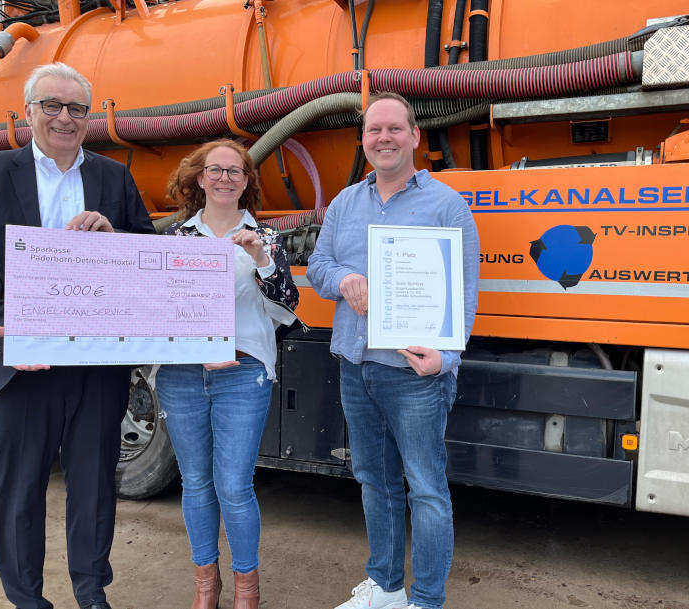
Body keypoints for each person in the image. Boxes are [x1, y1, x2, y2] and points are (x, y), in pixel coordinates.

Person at [0, 63, 155, 609]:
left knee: (93, 487)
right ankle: (27, 599)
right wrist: (11, 334)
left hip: (96, 365)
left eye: (77, 108)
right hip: (19, 365)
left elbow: (145, 255)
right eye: (52, 105)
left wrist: (115, 237)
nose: (65, 117)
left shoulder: (113, 177)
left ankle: (92, 593)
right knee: (18, 492)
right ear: (28, 111)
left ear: (90, 117)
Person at [306, 92, 480, 609]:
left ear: (415, 137)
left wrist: (446, 360)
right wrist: (345, 278)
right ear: (363, 140)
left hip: (413, 374)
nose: (383, 138)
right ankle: (385, 588)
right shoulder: (344, 203)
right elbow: (318, 267)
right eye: (374, 130)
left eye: (394, 129)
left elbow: (464, 293)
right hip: (356, 366)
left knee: (426, 489)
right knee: (373, 482)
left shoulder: (447, 204)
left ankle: (425, 600)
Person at [156, 139, 299, 609]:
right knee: (195, 482)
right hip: (182, 374)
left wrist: (259, 256)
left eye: (234, 171)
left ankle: (246, 587)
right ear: (200, 178)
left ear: (245, 182)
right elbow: (154, 310)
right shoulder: (176, 239)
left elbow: (288, 304)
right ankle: (205, 583)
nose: (224, 178)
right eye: (215, 170)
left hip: (242, 371)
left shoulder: (267, 237)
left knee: (234, 486)